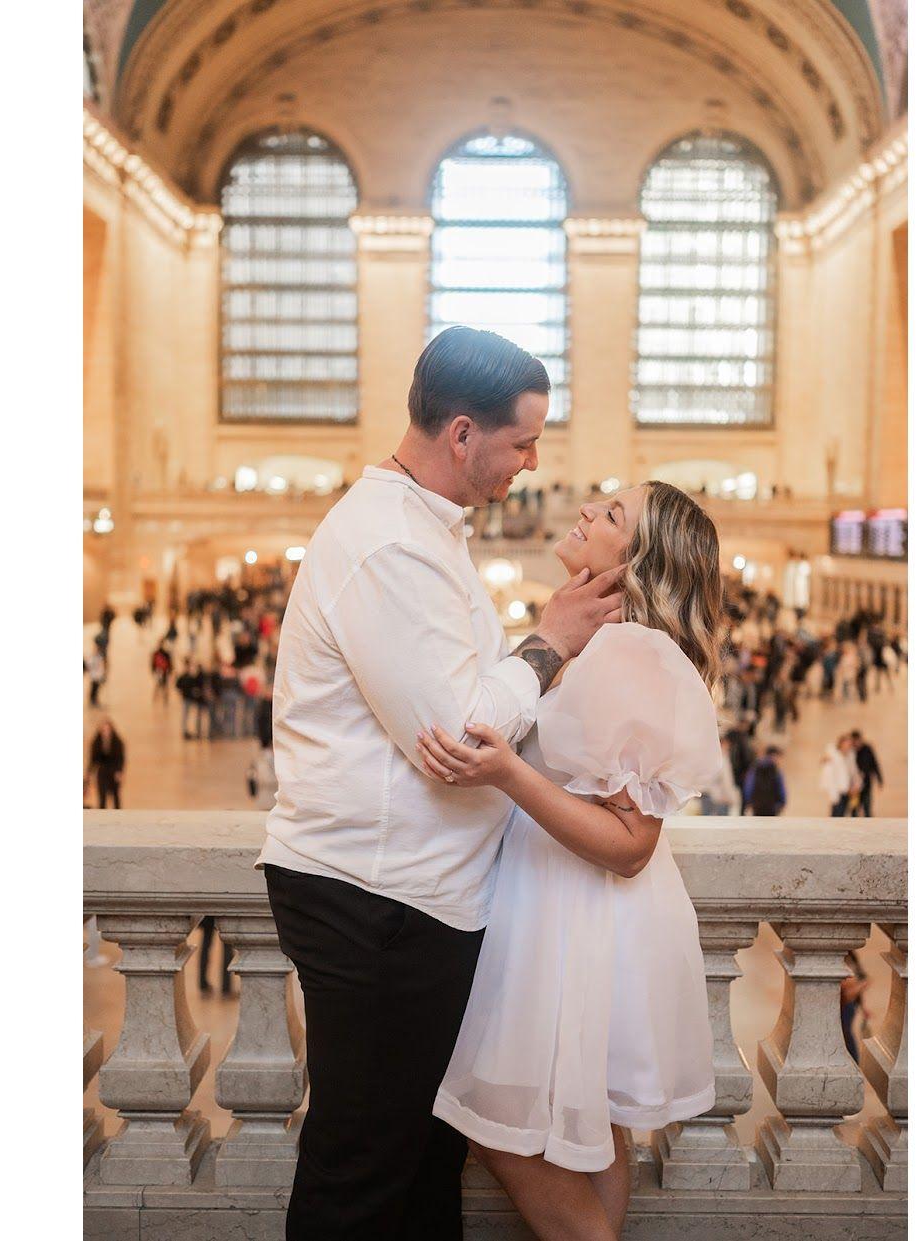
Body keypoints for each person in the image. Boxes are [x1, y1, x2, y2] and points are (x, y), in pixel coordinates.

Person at [258, 327, 623, 1240]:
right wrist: (550, 641)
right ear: (462, 434)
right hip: (375, 896)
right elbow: (456, 735)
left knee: (422, 1164)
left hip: (414, 896)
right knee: (364, 1167)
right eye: (522, 442)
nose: (531, 464)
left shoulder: (422, 528)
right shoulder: (387, 541)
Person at [422, 480, 725, 1239]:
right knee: (597, 1132)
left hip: (577, 920)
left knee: (496, 1125)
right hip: (567, 910)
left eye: (611, 514)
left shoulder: (629, 653)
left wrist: (506, 772)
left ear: (637, 566)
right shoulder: (603, 645)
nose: (586, 511)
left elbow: (629, 844)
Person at [86, 717, 125, 809]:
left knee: (115, 795)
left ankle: (118, 815)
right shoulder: (96, 742)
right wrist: (89, 772)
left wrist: (119, 771)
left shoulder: (117, 742)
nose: (106, 732)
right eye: (104, 730)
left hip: (114, 770)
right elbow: (93, 759)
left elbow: (120, 758)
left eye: (107, 730)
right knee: (102, 795)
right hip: (102, 771)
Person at [699, 734, 739, 815]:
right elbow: (726, 780)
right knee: (720, 824)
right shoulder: (722, 759)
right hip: (719, 798)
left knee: (706, 823)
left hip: (705, 795)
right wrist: (731, 798)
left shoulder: (706, 757)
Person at [743, 746, 787, 816]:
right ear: (774, 755)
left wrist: (750, 802)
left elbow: (748, 787)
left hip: (756, 807)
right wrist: (781, 804)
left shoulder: (755, 767)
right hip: (772, 808)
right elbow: (782, 790)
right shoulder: (776, 771)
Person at [820, 735, 856, 817]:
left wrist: (854, 785)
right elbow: (828, 773)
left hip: (847, 790)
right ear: (841, 744)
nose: (848, 746)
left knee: (844, 813)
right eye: (846, 743)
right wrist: (833, 793)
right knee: (836, 814)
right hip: (837, 791)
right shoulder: (833, 755)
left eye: (850, 744)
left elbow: (853, 772)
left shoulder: (851, 756)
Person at [850, 729, 884, 817]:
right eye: (854, 740)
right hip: (854, 786)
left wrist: (880, 779)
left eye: (857, 740)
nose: (856, 742)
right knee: (854, 808)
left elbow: (874, 764)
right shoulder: (850, 751)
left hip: (866, 783)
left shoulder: (867, 748)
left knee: (867, 807)